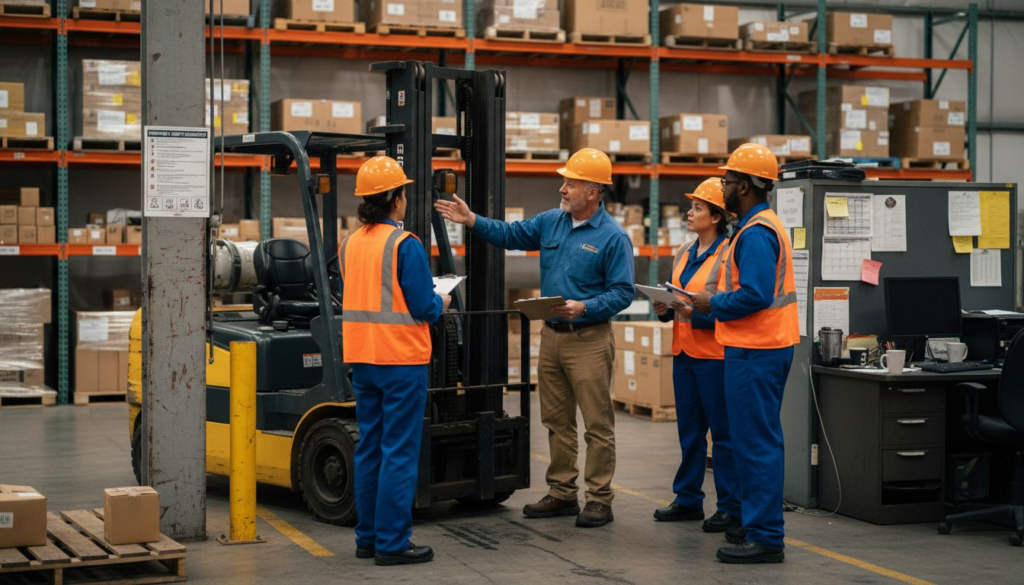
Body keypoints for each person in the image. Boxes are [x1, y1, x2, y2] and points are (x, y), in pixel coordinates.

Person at [434, 148, 634, 528]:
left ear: (593, 192)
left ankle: (598, 499)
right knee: (556, 420)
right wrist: (472, 220)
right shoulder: (551, 221)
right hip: (553, 337)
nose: (562, 189)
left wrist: (585, 307)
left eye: (570, 183)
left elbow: (623, 292)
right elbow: (511, 235)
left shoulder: (613, 237)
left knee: (597, 424)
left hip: (588, 338)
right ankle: (562, 492)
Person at [338, 156, 452, 566]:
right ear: (396, 199)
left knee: (370, 447)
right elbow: (423, 306)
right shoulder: (405, 244)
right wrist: (442, 302)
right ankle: (391, 543)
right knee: (399, 451)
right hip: (401, 360)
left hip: (363, 359)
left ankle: (368, 537)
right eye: (403, 192)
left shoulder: (349, 244)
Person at [690, 143, 799, 564]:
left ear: (746, 186)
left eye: (727, 181)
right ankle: (754, 524)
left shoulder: (755, 233)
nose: (723, 188)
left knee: (755, 443)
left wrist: (711, 304)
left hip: (757, 349)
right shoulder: (756, 226)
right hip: (758, 348)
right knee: (753, 440)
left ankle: (766, 537)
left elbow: (755, 295)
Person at [650, 178, 741, 535]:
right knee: (689, 432)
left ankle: (730, 507)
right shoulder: (684, 252)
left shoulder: (728, 254)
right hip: (684, 354)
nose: (690, 213)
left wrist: (694, 314)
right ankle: (688, 498)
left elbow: (733, 307)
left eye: (698, 208)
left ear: (716, 217)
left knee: (723, 435)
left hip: (714, 356)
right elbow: (678, 299)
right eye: (691, 207)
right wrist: (664, 308)